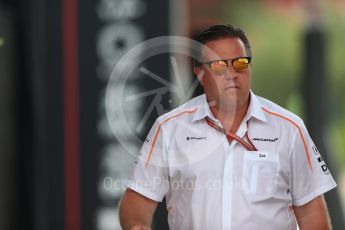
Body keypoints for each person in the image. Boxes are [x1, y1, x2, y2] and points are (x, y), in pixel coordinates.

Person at [119, 24, 337, 230]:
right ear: (200, 74)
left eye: (240, 62)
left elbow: (312, 213)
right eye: (219, 65)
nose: (232, 73)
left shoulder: (289, 128)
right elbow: (138, 199)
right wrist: (137, 225)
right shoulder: (169, 129)